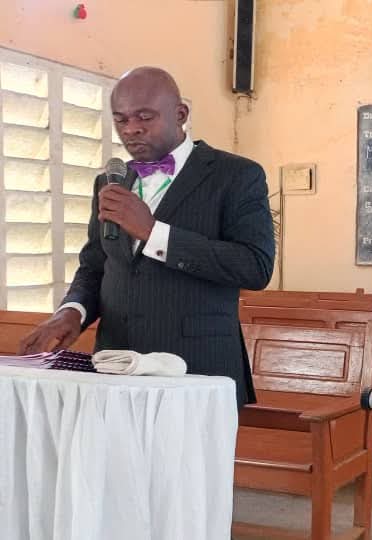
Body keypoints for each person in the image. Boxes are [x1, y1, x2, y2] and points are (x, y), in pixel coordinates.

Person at [19, 66, 275, 407]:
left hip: (198, 370)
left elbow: (255, 267)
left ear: (180, 114)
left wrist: (155, 234)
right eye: (120, 119)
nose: (131, 129)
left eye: (144, 117)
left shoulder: (237, 175)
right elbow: (95, 266)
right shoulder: (110, 181)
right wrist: (72, 311)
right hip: (114, 367)